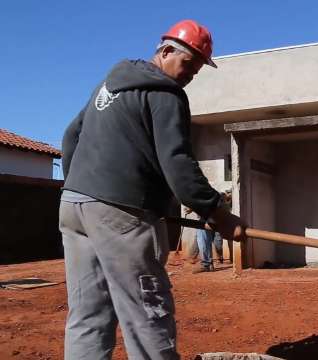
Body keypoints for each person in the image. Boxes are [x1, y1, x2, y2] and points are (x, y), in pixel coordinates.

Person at [59, 19, 246, 360]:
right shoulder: (165, 93)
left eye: (198, 68)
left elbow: (72, 135)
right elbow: (177, 163)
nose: (191, 74)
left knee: (88, 313)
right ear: (165, 51)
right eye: (188, 63)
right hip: (122, 212)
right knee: (147, 312)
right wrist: (217, 213)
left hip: (74, 206)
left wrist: (82, 189)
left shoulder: (109, 85)